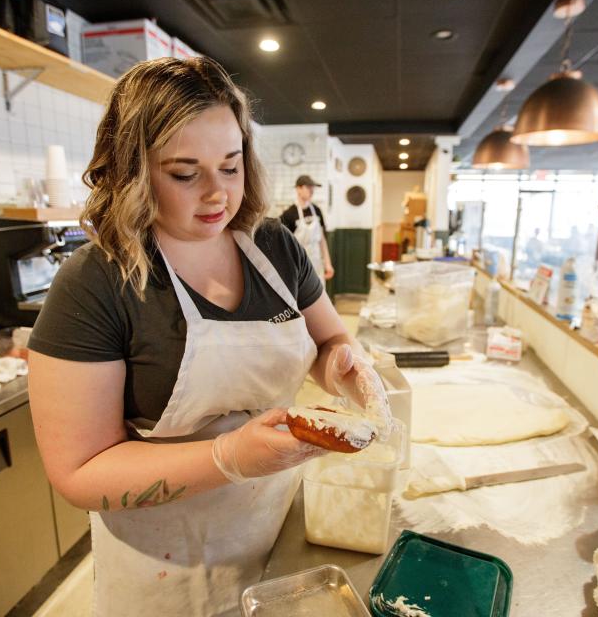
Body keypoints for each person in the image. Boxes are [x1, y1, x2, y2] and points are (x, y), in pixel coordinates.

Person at [26, 56, 390, 617]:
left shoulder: (273, 246)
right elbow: (77, 472)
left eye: (231, 164)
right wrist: (228, 457)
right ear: (134, 169)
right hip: (166, 569)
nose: (219, 194)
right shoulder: (96, 282)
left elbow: (327, 341)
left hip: (281, 535)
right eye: (185, 172)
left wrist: (343, 362)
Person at [280, 175, 335, 280]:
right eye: (308, 187)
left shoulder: (317, 210)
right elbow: (285, 245)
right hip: (298, 265)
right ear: (298, 189)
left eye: (312, 187)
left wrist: (328, 263)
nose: (312, 190)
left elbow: (322, 240)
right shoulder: (288, 214)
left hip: (316, 262)